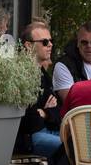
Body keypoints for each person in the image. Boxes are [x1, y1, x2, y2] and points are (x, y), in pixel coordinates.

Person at [16, 20, 61, 157]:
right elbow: (28, 122)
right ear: (29, 45)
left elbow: (59, 111)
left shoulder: (43, 74)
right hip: (30, 138)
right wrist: (47, 113)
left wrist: (44, 113)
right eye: (45, 42)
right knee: (74, 148)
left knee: (87, 144)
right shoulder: (19, 74)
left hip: (48, 131)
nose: (50, 45)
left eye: (51, 41)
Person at [52, 22, 91, 105]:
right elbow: (71, 102)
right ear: (78, 43)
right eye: (84, 42)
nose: (89, 46)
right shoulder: (64, 65)